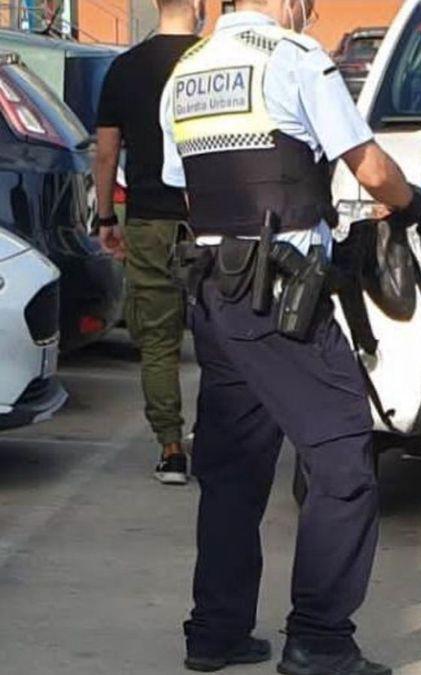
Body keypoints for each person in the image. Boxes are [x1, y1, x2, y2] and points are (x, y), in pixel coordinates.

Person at [159, 1, 421, 673]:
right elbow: (369, 166)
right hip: (282, 296)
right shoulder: (293, 58)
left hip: (214, 289)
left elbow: (187, 191)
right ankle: (320, 637)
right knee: (342, 460)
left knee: (233, 468)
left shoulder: (187, 71)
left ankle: (216, 632)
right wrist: (412, 204)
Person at [94, 0, 204, 485]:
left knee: (158, 342)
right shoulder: (212, 60)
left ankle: (171, 448)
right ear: (198, 5)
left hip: (148, 221)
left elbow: (106, 153)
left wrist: (105, 217)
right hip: (212, 221)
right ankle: (218, 439)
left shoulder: (125, 68)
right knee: (223, 339)